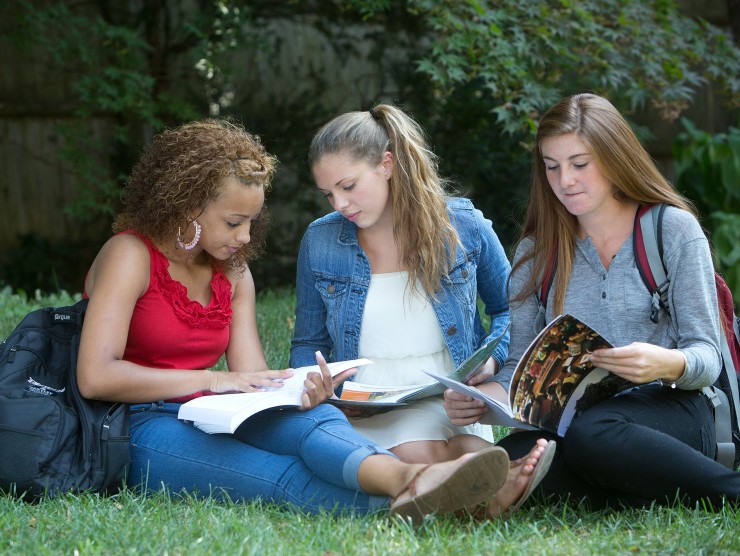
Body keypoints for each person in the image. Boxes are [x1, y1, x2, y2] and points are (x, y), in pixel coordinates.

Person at [75, 118, 533, 523]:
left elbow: (256, 382)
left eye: (252, 221)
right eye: (235, 222)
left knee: (313, 427)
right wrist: (215, 382)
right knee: (279, 476)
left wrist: (301, 390)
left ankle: (415, 478)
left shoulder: (231, 270)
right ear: (188, 206)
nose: (247, 236)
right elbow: (96, 377)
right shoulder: (129, 254)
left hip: (212, 411)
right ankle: (449, 498)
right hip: (136, 422)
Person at [444, 93, 740, 510]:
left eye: (580, 164)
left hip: (674, 406)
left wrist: (664, 362)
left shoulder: (672, 230)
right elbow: (519, 372)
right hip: (574, 423)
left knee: (588, 435)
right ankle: (638, 486)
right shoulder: (536, 252)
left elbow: (708, 357)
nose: (565, 180)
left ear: (615, 158)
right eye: (552, 167)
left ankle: (730, 490)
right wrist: (483, 399)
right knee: (509, 456)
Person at [290, 103, 512, 465]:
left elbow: (513, 310)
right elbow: (308, 343)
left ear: (386, 165)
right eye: (328, 193)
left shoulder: (464, 225)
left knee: (458, 454)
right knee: (421, 454)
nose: (340, 203)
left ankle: (496, 476)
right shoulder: (321, 240)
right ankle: (502, 481)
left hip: (450, 398)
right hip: (365, 406)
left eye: (348, 186)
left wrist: (491, 364)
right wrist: (321, 390)